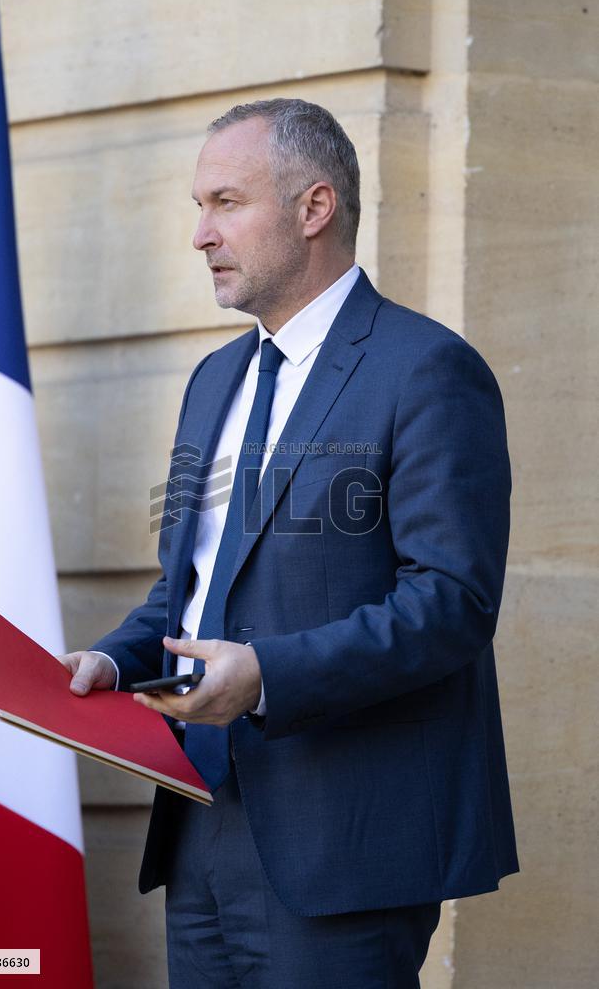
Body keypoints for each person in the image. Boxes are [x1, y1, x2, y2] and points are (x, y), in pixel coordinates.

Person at [61, 98, 519, 988]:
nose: (201, 234)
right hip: (197, 819)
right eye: (199, 206)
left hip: (344, 840)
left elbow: (453, 602)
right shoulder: (214, 379)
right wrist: (112, 663)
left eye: (226, 203)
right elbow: (191, 590)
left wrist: (267, 675)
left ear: (314, 208)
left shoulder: (428, 369)